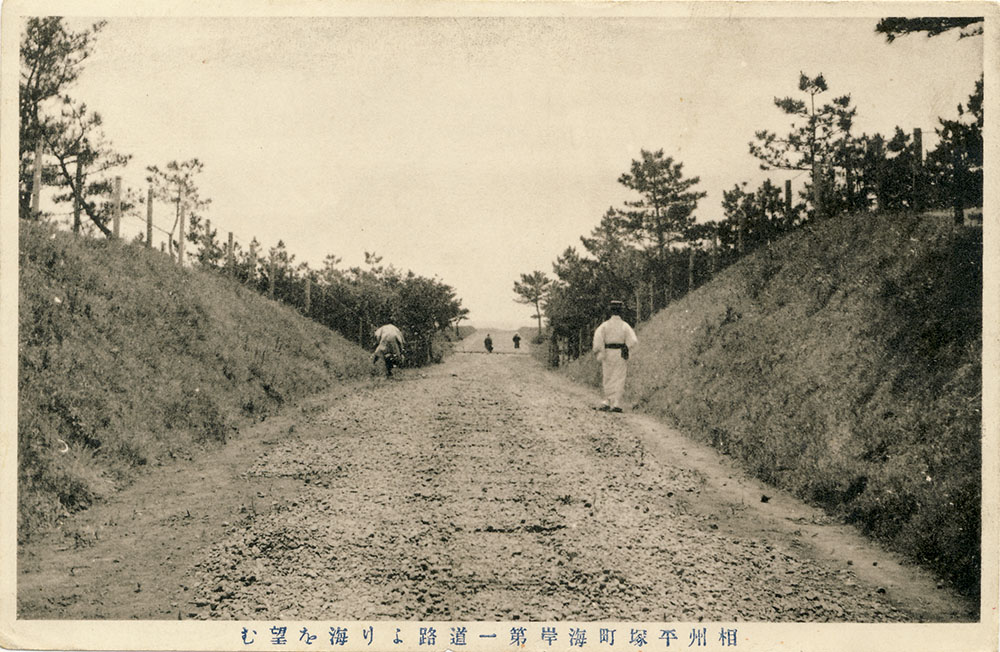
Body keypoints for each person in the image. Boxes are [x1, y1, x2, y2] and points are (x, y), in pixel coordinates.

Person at [592, 300, 638, 413]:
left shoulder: (605, 325)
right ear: (621, 312)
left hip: (607, 353)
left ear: (610, 311)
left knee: (608, 376)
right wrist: (626, 347)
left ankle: (607, 401)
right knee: (619, 377)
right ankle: (616, 402)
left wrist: (600, 350)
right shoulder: (625, 326)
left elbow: (598, 339)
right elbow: (633, 340)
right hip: (620, 354)